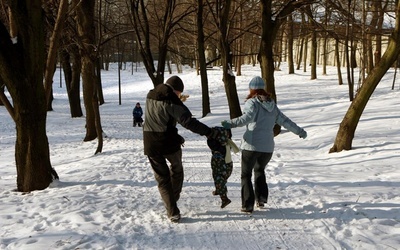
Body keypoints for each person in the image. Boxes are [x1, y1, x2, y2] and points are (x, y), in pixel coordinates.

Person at [143, 75, 224, 223]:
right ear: (176, 91)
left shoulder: (150, 94)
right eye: (179, 94)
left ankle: (172, 210)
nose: (179, 96)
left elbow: (161, 115)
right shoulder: (172, 100)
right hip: (168, 143)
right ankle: (173, 200)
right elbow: (189, 122)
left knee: (162, 179)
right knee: (177, 170)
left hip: (150, 143)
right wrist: (209, 132)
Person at [221, 76, 307, 213]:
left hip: (251, 145)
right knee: (259, 170)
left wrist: (229, 124)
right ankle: (261, 199)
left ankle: (247, 205)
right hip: (267, 148)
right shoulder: (272, 105)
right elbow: (285, 121)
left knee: (246, 174)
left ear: (252, 89)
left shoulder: (252, 103)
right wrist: (300, 131)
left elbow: (246, 118)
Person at [207, 126, 239, 209]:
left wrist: (209, 136)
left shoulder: (216, 145)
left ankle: (224, 199)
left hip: (218, 163)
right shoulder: (228, 143)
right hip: (228, 164)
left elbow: (210, 143)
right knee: (222, 178)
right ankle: (219, 189)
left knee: (218, 178)